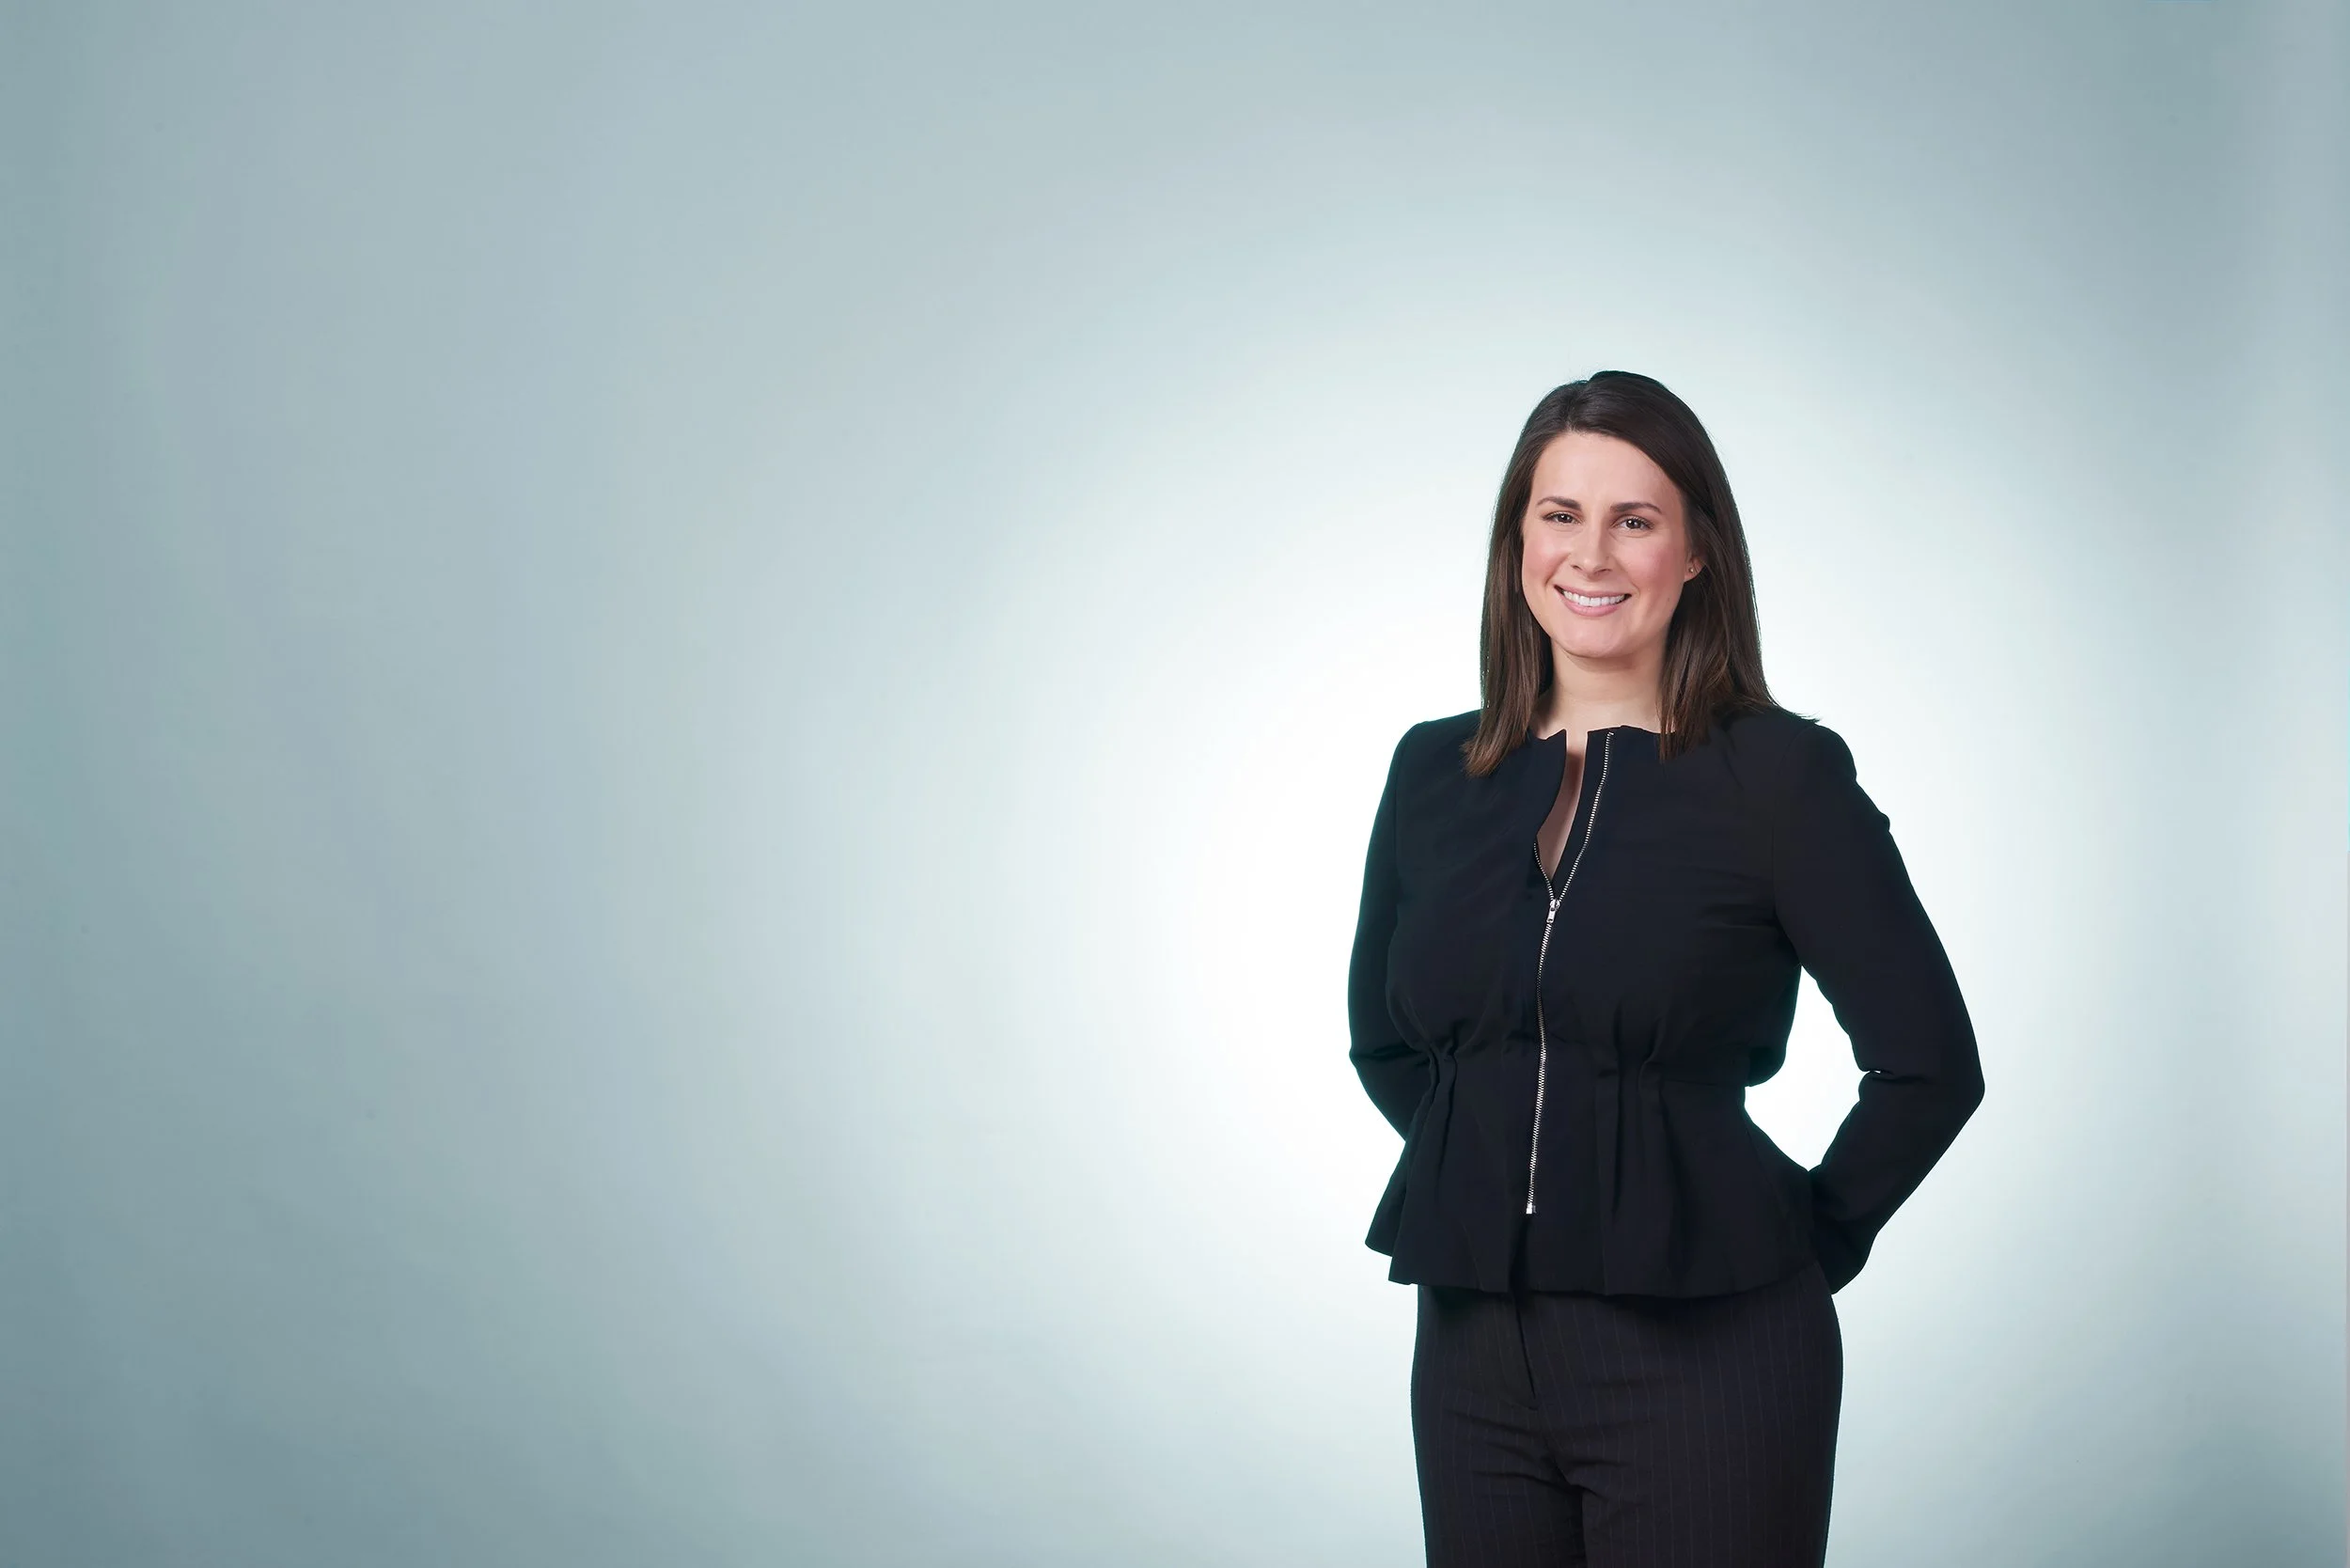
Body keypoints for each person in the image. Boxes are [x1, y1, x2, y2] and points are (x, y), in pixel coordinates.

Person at [1346, 371, 1984, 1568]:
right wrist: (1494, 1170)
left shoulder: (1778, 778)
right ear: (1516, 542)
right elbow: (1386, 1045)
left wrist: (1802, 1242)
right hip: (1473, 1350)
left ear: (1695, 553)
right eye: (1558, 515)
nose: (1591, 555)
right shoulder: (1433, 773)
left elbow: (1929, 1067)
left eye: (1634, 520)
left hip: (1710, 1350)